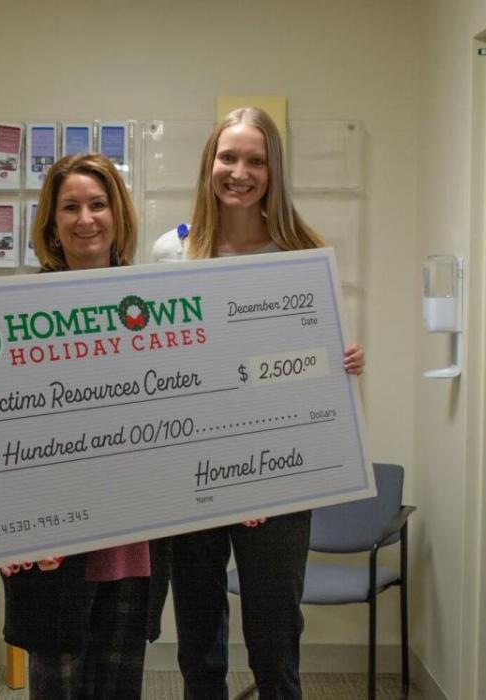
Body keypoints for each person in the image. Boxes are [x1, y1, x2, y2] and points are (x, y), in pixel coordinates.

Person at [152, 107, 365, 700]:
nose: (239, 172)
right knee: (199, 643)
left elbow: (308, 369)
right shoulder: (171, 252)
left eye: (255, 160)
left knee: (275, 644)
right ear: (208, 164)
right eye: (228, 157)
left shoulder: (303, 252)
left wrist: (341, 365)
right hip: (193, 472)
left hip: (279, 474)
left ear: (274, 172)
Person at [1, 153, 171, 700]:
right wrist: (9, 526)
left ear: (117, 215)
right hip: (50, 541)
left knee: (120, 688)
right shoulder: (18, 310)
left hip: (133, 541)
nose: (85, 218)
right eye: (69, 207)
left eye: (98, 205)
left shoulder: (155, 308)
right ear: (51, 223)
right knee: (57, 687)